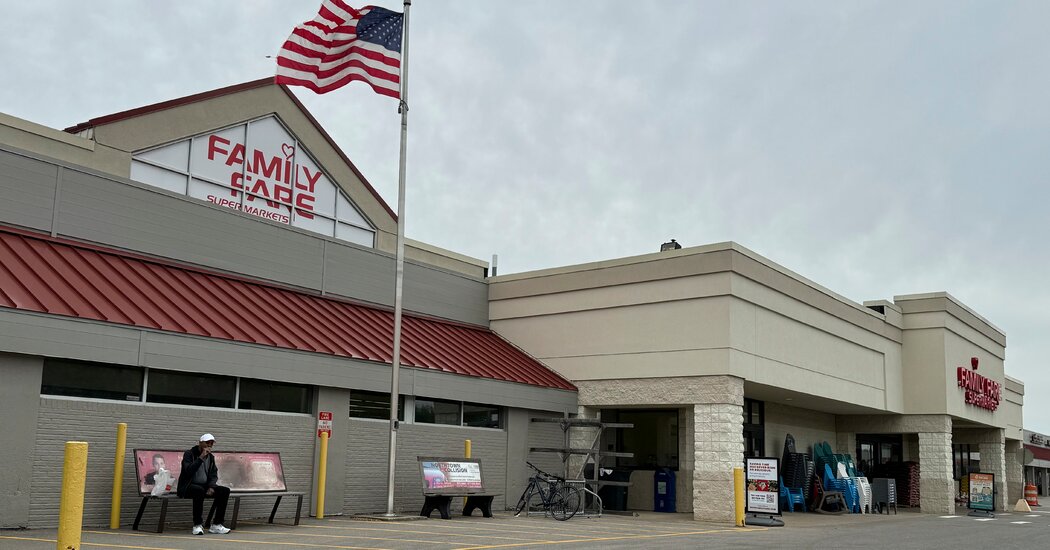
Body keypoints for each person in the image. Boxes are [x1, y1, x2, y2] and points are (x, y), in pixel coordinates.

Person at [176, 433, 232, 535]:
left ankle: (217, 524)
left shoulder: (211, 457)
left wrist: (211, 486)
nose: (209, 445)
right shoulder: (189, 454)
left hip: (204, 486)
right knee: (198, 490)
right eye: (207, 443)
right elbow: (188, 471)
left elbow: (213, 474)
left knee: (224, 491)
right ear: (200, 443)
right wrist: (201, 457)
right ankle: (197, 524)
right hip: (187, 486)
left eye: (211, 443)